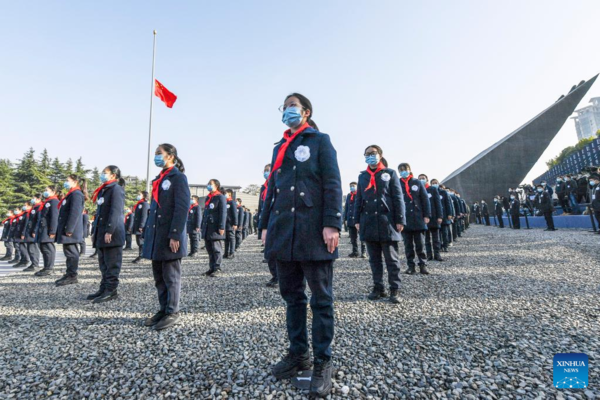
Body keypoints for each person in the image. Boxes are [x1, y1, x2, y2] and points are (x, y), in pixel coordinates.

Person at [260, 93, 341, 397]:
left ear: (306, 112)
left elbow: (332, 182)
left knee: (321, 298)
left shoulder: (320, 141)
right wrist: (265, 225)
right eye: (285, 106)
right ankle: (299, 354)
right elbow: (273, 190)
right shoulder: (280, 147)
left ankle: (323, 360)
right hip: (284, 232)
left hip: (312, 230)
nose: (287, 110)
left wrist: (332, 223)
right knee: (292, 296)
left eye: (292, 106)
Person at [143, 143, 190, 330]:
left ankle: (172, 311)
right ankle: (163, 309)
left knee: (171, 276)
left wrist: (175, 235)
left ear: (170, 156)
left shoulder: (178, 178)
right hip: (157, 235)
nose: (156, 157)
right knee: (159, 277)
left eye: (159, 154)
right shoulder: (159, 178)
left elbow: (181, 208)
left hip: (169, 235)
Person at [354, 145, 405, 302]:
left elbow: (397, 197)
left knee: (392, 259)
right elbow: (359, 199)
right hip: (368, 221)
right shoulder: (363, 176)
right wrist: (356, 220)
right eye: (367, 154)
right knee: (374, 259)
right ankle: (378, 287)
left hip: (387, 222)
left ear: (380, 155)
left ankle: (394, 289)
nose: (370, 156)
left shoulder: (389, 173)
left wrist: (400, 219)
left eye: (373, 153)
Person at [87, 166, 126, 303]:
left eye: (105, 173)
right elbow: (99, 214)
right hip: (102, 232)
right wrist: (94, 231)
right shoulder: (104, 189)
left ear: (113, 175)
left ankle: (111, 290)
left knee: (112, 263)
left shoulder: (116, 189)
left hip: (112, 233)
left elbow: (115, 212)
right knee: (103, 263)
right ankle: (103, 288)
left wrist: (109, 230)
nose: (102, 175)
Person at [398, 163, 431, 275]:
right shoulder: (397, 183)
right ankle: (410, 266)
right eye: (401, 170)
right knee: (408, 245)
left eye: (405, 169)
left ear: (410, 170)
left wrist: (427, 215)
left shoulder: (416, 182)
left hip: (417, 217)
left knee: (420, 244)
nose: (404, 172)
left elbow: (425, 199)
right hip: (405, 218)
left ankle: (423, 265)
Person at [55, 174, 88, 286]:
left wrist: (69, 229)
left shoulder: (76, 194)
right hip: (67, 228)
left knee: (72, 253)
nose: (66, 182)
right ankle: (69, 273)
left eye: (67, 180)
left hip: (70, 229)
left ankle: (72, 275)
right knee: (69, 252)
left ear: (74, 182)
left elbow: (74, 213)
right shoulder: (71, 194)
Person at [258, 164, 278, 287]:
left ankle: (279, 276)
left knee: (277, 249)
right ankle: (274, 275)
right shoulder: (264, 187)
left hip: (277, 218)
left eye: (268, 170)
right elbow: (262, 206)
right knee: (269, 250)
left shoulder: (278, 182)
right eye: (265, 171)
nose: (266, 173)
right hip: (268, 220)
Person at [201, 179, 226, 277]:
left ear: (216, 185)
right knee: (209, 248)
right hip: (208, 227)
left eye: (210, 184)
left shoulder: (220, 197)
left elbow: (223, 213)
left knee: (216, 249)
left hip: (215, 227)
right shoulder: (209, 197)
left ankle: (217, 268)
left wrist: (221, 226)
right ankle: (211, 268)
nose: (208, 186)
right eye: (208, 184)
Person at [35, 186, 59, 276]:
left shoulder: (54, 201)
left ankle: (49, 268)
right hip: (43, 228)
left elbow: (54, 217)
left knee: (48, 248)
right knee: (43, 248)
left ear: (53, 191)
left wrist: (52, 231)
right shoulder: (48, 201)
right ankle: (46, 267)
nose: (45, 192)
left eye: (46, 190)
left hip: (48, 229)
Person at [419, 174, 443, 262]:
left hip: (434, 217)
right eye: (420, 178)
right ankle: (429, 255)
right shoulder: (419, 189)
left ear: (427, 179)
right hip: (424, 218)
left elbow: (438, 203)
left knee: (436, 238)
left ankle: (437, 254)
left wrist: (440, 216)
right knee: (426, 239)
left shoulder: (432, 189)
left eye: (423, 178)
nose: (422, 180)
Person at [344, 181, 366, 258]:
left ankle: (364, 252)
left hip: (359, 219)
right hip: (350, 219)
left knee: (362, 236)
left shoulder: (360, 194)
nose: (352, 187)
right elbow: (346, 207)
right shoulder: (349, 195)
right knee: (353, 238)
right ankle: (355, 252)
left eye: (353, 186)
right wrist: (345, 218)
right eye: (351, 186)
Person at [23, 195, 44, 272]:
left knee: (33, 248)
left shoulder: (39, 207)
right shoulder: (35, 207)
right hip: (30, 230)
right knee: (30, 248)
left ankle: (35, 264)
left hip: (33, 231)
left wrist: (35, 230)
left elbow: (38, 220)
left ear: (38, 199)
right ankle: (33, 263)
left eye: (34, 198)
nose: (32, 200)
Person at [435, 181, 454, 252]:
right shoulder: (432, 191)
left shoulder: (444, 193)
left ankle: (445, 245)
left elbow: (448, 204)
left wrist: (450, 214)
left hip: (445, 215)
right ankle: (439, 246)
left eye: (435, 183)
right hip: (436, 216)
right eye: (433, 183)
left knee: (445, 232)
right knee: (437, 234)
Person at [132, 191, 149, 264]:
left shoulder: (144, 204)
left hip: (141, 226)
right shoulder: (139, 204)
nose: (138, 195)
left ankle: (141, 255)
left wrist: (142, 226)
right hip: (137, 225)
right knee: (139, 241)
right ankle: (142, 254)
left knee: (141, 241)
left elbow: (144, 216)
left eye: (139, 194)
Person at [15, 201, 33, 269]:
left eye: (25, 205)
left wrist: (23, 233)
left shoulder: (29, 213)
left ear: (29, 206)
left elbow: (26, 225)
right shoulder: (24, 214)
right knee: (21, 248)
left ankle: (26, 261)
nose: (24, 206)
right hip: (20, 233)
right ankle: (23, 260)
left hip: (24, 233)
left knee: (23, 248)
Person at [223, 189, 238, 259]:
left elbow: (235, 214)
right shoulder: (225, 202)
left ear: (229, 194)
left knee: (231, 238)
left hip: (230, 223)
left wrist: (235, 223)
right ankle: (226, 253)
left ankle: (232, 253)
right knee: (226, 239)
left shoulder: (232, 202)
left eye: (226, 193)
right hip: (225, 223)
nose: (224, 194)